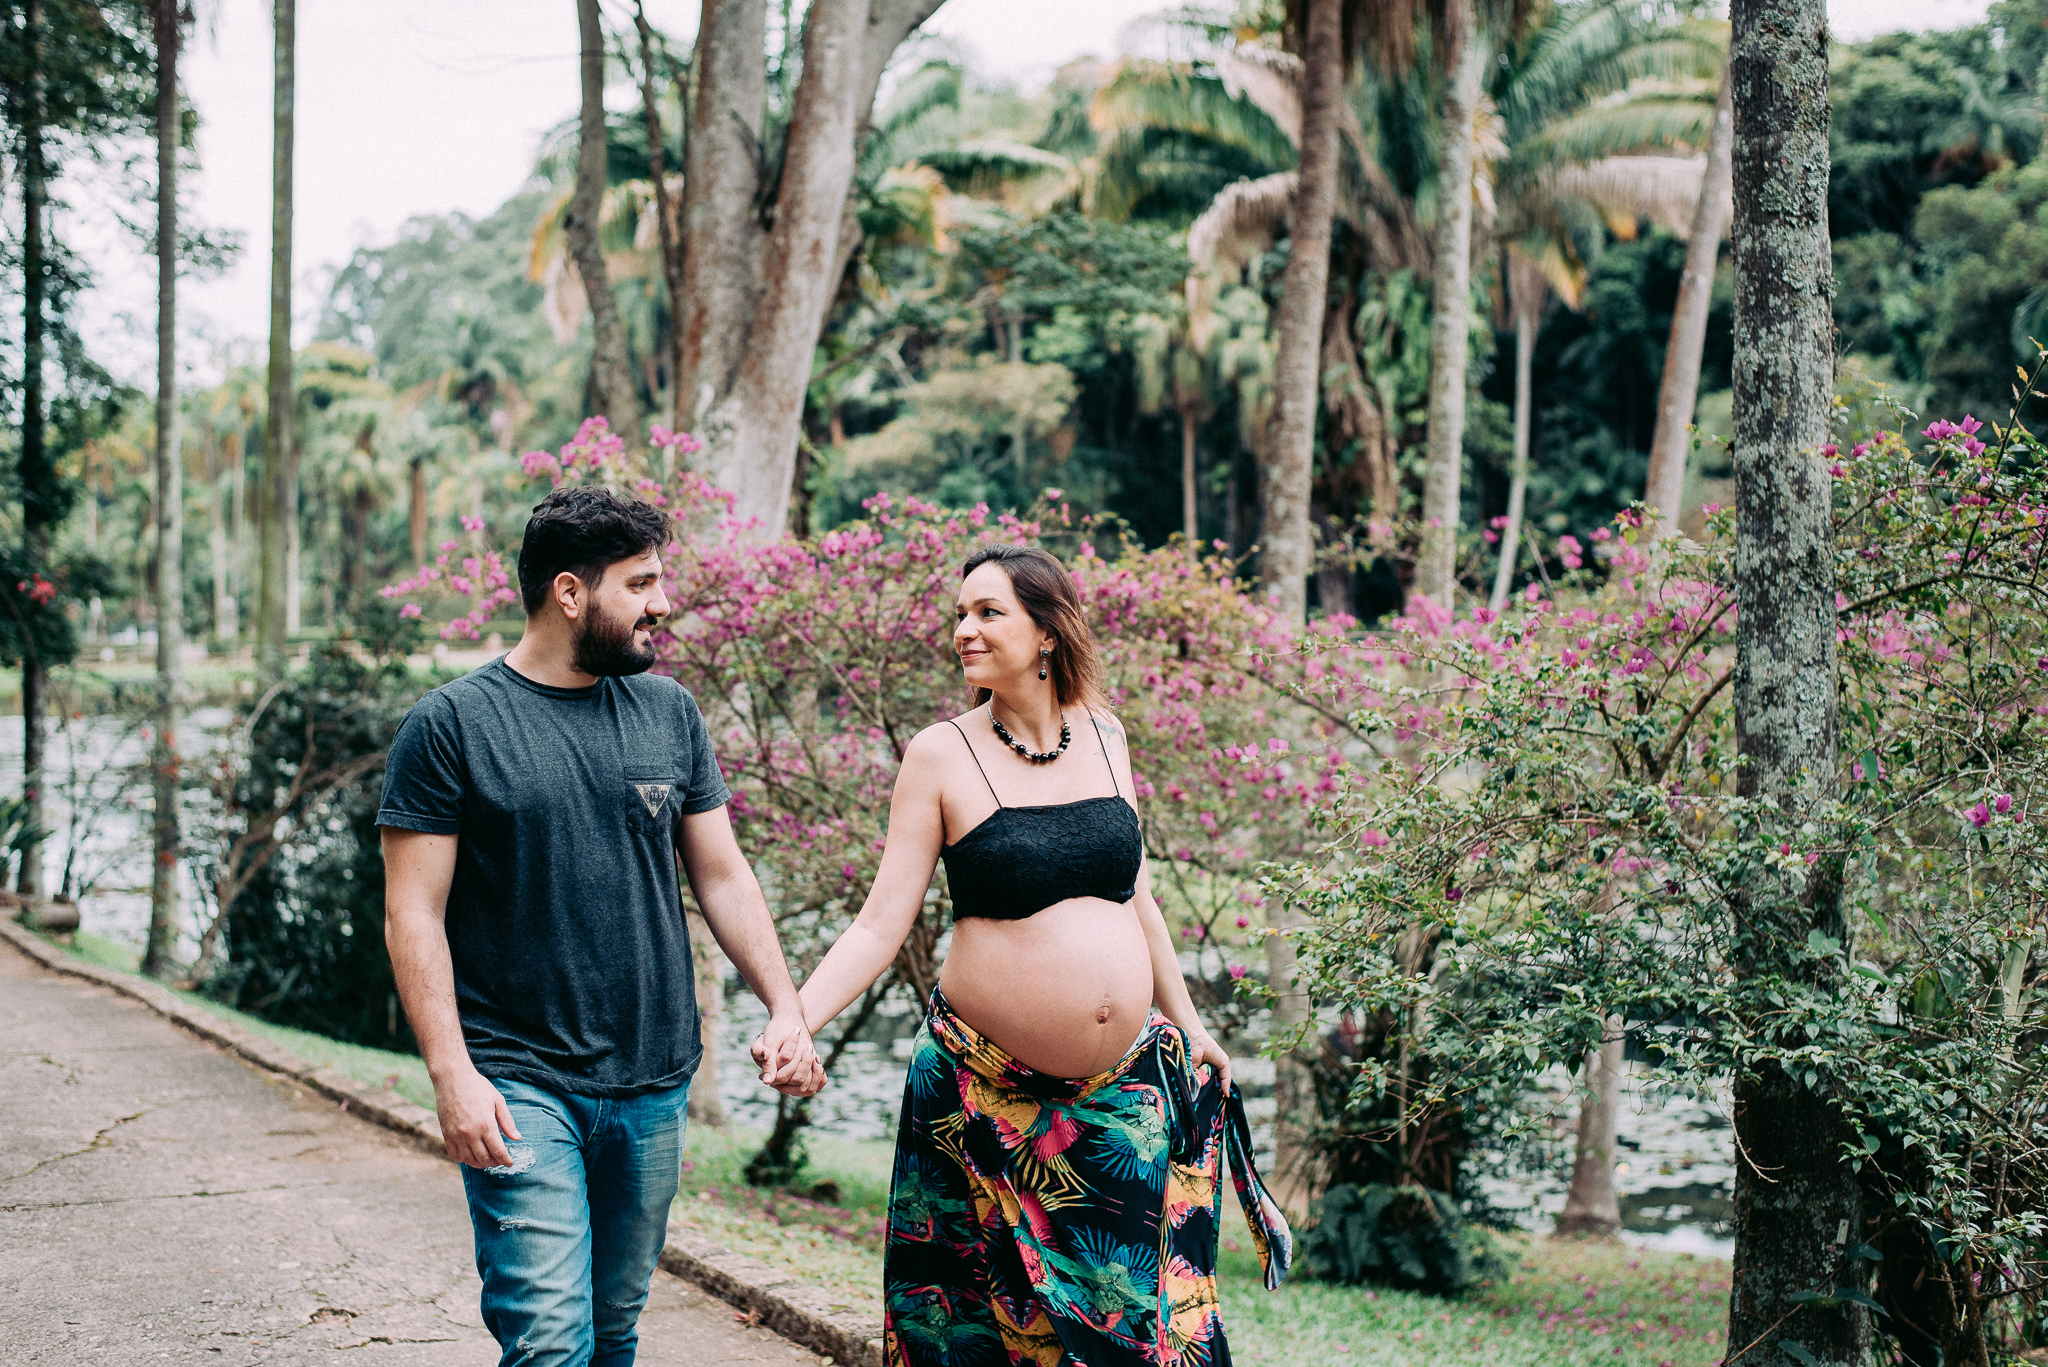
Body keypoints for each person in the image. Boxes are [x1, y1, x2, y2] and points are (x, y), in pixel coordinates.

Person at [770, 543, 1289, 1367]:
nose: (962, 630)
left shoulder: (1107, 735)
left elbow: (1136, 898)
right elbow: (879, 924)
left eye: (987, 612)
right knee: (983, 1332)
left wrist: (1191, 1025)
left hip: (1118, 1097)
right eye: (959, 613)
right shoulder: (940, 754)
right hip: (980, 1097)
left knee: (1127, 1329)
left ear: (1047, 631)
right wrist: (795, 1016)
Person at [380, 485, 823, 1367]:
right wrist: (451, 1073)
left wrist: (786, 1005)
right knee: (549, 1338)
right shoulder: (452, 725)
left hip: (654, 1078)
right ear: (570, 593)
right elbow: (412, 911)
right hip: (518, 1079)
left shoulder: (668, 712)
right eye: (643, 581)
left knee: (612, 1326)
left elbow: (723, 873)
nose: (664, 602)